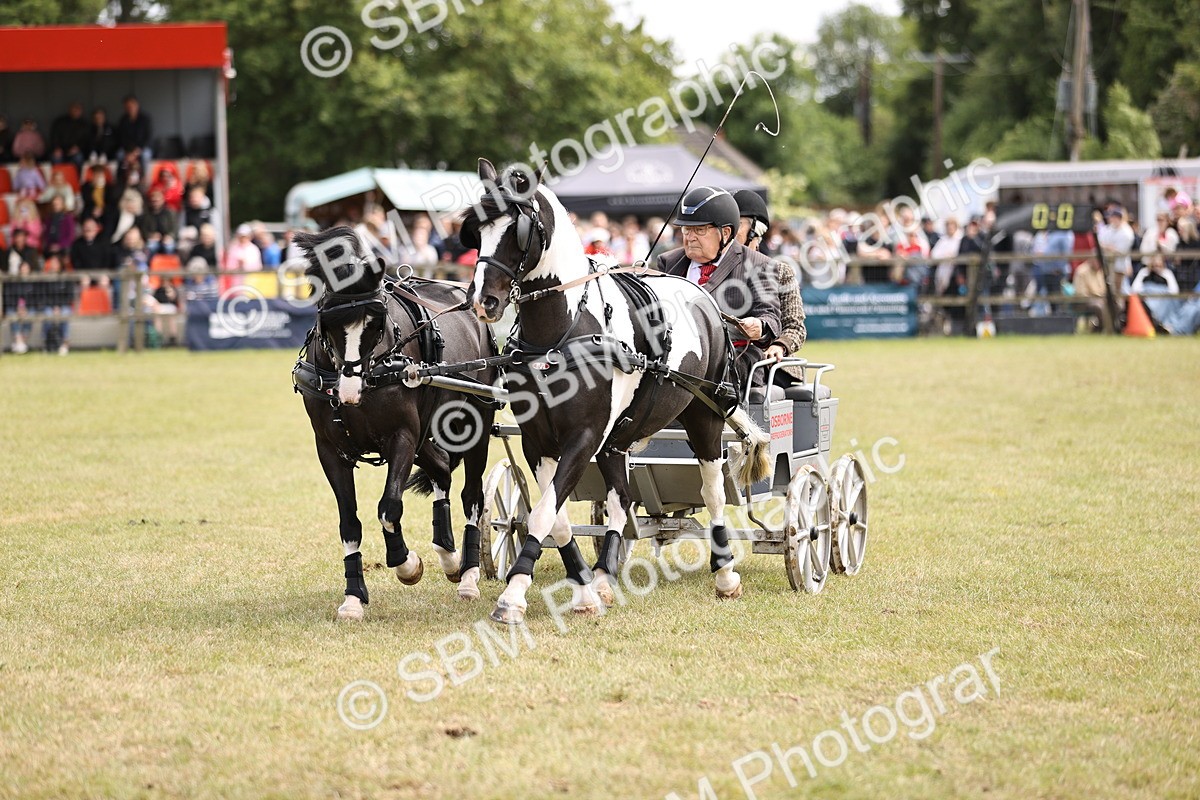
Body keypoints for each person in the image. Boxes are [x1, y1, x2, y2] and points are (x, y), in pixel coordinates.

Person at [655, 186, 779, 389]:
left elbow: (770, 317)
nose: (690, 237)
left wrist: (759, 326)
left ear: (726, 232)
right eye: (686, 230)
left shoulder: (759, 265)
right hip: (674, 359)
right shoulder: (668, 263)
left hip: (733, 363)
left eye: (699, 230)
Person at [733, 189, 806, 386]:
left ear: (755, 230)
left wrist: (780, 345)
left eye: (737, 224)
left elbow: (795, 326)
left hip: (768, 363)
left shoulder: (780, 271)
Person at [116, 95, 152, 183]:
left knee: (145, 155)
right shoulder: (123, 120)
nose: (130, 108)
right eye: (127, 107)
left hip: (142, 148)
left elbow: (148, 137)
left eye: (131, 106)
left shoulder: (145, 119)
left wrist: (137, 151)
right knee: (119, 155)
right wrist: (128, 152)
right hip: (127, 149)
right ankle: (121, 180)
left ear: (137, 105)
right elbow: (121, 138)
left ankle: (144, 179)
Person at [49, 102, 90, 168]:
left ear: (81, 111)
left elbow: (86, 140)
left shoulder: (84, 125)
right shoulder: (60, 122)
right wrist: (56, 148)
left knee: (78, 157)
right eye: (74, 109)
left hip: (76, 151)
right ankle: (59, 177)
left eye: (78, 109)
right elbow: (54, 136)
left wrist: (78, 148)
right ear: (69, 110)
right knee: (56, 157)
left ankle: (77, 177)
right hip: (61, 150)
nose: (76, 111)